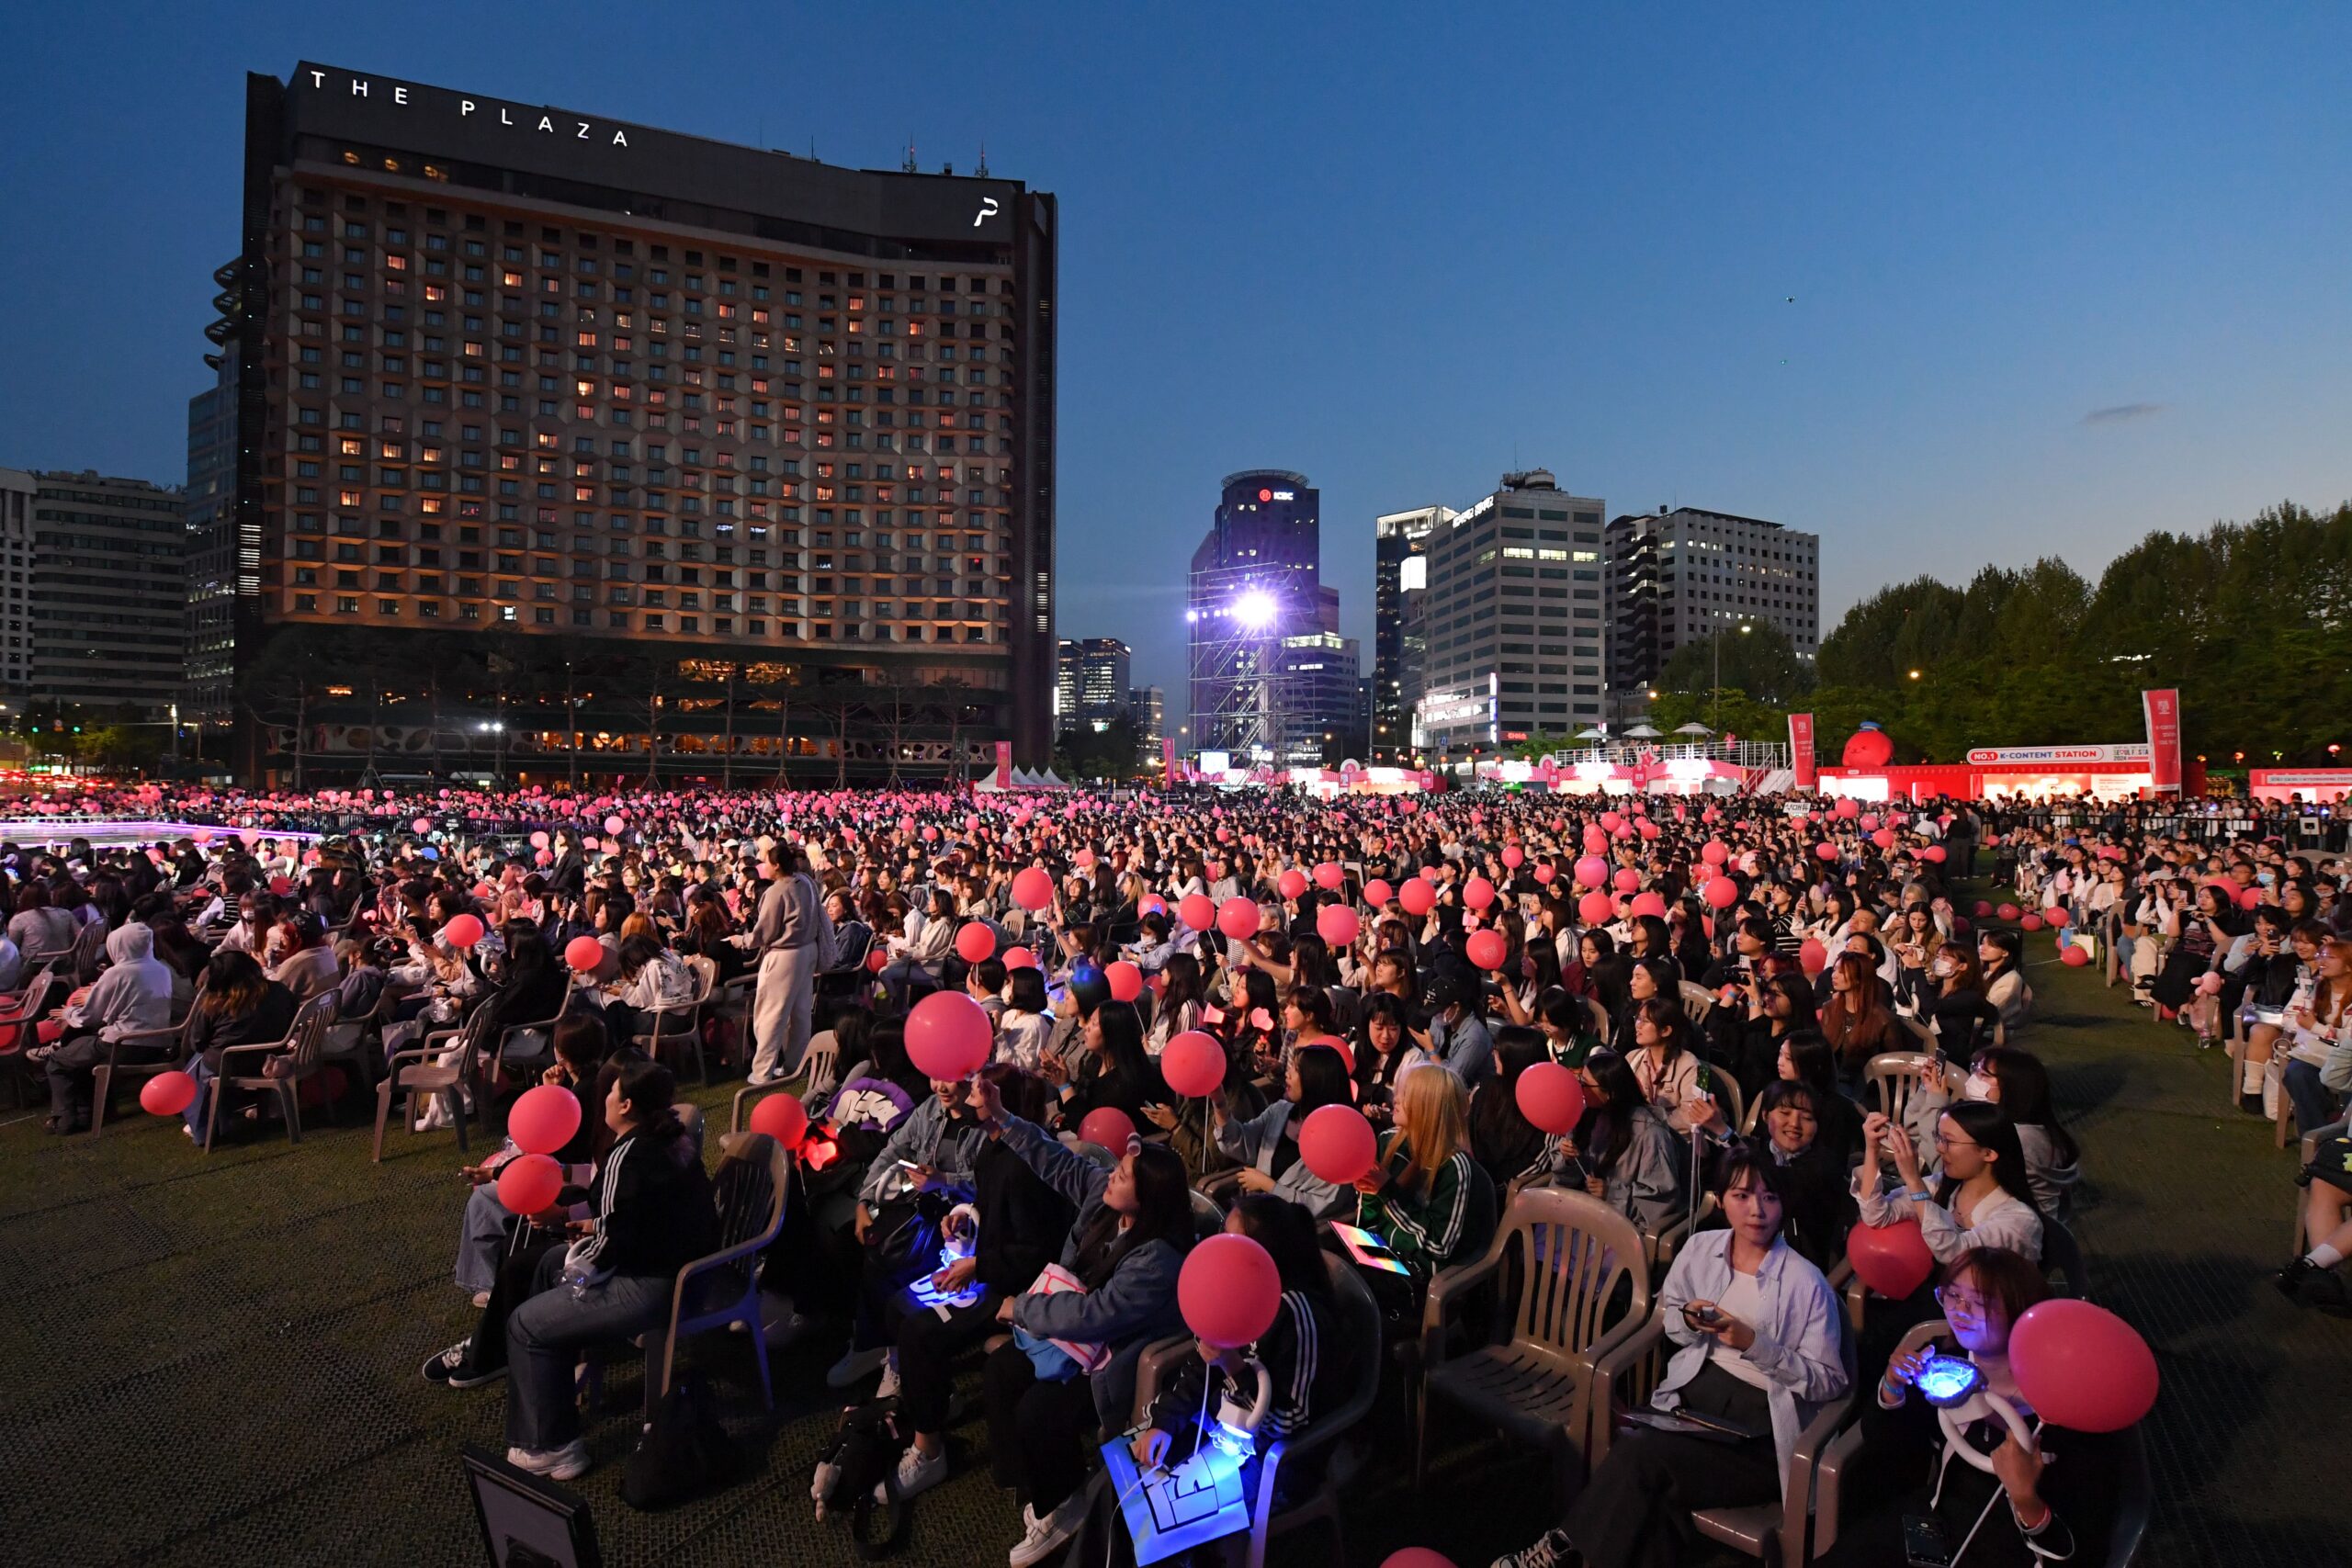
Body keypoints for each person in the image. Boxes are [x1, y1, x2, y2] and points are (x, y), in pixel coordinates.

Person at [1493, 1152, 1848, 1568]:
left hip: (1762, 1433)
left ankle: (1559, 1549)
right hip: (1696, 1402)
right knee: (1656, 1505)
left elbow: (1830, 1381)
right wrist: (1689, 1319)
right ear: (1720, 1199)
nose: (1757, 1210)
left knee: (1639, 1457)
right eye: (1742, 1195)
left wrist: (1755, 1344)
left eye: (1769, 1197)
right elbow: (1673, 1320)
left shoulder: (1806, 1282)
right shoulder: (1701, 1249)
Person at [968, 1076, 1193, 1567]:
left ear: (1148, 1197)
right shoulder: (1104, 1202)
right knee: (1001, 1372)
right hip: (1068, 1338)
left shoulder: (1157, 1259)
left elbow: (1096, 1315)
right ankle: (1035, 1484)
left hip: (1110, 1362)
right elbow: (1055, 1159)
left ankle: (1064, 1503)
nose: (1112, 1175)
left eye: (1123, 1175)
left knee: (1038, 1410)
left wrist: (1022, 1308)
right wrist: (1001, 1116)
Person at [1817, 1248, 2123, 1566]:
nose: (1960, 1311)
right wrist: (1893, 1388)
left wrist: (2025, 1499)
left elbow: (2084, 1550)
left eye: (1980, 1302)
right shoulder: (1945, 1367)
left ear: (2021, 1309)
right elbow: (1888, 1446)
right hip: (1936, 1523)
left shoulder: (2067, 1409)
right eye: (1952, 1295)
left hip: (2012, 1551)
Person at [500, 1060, 718, 1479]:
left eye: (612, 1092)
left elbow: (610, 1246)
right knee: (545, 1265)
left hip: (653, 1286)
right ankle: (552, 1388)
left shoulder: (628, 1155)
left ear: (627, 1105)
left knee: (525, 1325)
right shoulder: (674, 1139)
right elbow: (644, 1218)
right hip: (688, 1274)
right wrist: (590, 1230)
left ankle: (552, 1446)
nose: (605, 1099)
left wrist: (577, 1266)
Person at [878, 1065, 1077, 1500]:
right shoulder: (991, 1149)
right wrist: (965, 1222)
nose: (968, 1098)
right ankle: (935, 1397)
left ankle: (929, 1452)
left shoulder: (1026, 1166)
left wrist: (977, 1267)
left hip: (1020, 1291)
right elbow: (994, 1217)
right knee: (899, 1305)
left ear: (1001, 1105)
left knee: (919, 1330)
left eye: (978, 1093)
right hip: (992, 1272)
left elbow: (1034, 1253)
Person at [1130, 1192, 1348, 1504]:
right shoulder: (1234, 1293)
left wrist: (1232, 1367)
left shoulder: (1298, 1316)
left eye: (1234, 1241)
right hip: (1217, 1430)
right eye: (1223, 1234)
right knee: (1119, 1480)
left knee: (1151, 1514)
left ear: (1265, 1254)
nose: (1220, 1247)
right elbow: (1199, 1370)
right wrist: (1164, 1423)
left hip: (1272, 1460)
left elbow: (1289, 1422)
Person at [1855, 1099, 2043, 1268]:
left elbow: (1953, 1253)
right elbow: (1876, 1215)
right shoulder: (1942, 1185)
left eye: (1949, 1141)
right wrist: (1872, 1150)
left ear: (1988, 1153)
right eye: (1939, 1137)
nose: (1939, 1148)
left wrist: (1913, 1179)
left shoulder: (2020, 1219)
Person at [1353, 1062, 1490, 1276]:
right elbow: (1368, 1220)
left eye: (1405, 1095)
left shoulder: (1455, 1167)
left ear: (1428, 1106)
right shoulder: (1387, 1141)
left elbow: (1440, 1246)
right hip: (1380, 1251)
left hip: (1419, 1271)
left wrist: (1387, 1191)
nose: (1395, 1099)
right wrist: (1369, 1191)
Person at [39, 921, 175, 1134]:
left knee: (58, 1061)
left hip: (122, 1045)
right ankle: (88, 1114)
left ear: (118, 945)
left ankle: (64, 1119)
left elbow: (88, 1017)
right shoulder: (161, 969)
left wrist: (68, 1013)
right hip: (157, 1043)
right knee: (80, 1053)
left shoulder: (117, 972)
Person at [1208, 1042, 1356, 1217]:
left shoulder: (1339, 1144)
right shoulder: (1280, 1111)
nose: (1287, 1073)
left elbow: (1321, 1205)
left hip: (1291, 1226)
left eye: (1296, 1070)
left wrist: (1269, 1186)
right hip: (1256, 1213)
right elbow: (1238, 1143)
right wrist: (1220, 1103)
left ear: (1315, 1081)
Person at [181, 950, 300, 1138]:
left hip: (227, 1063)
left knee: (194, 1065)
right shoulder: (280, 991)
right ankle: (220, 1113)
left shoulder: (215, 1003)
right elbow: (292, 1019)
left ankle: (203, 1127)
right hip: (271, 1059)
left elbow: (198, 1041)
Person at [749, 840, 825, 1083]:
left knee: (772, 1014)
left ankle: (762, 1072)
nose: (764, 866)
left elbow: (764, 933)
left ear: (777, 865)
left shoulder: (777, 891)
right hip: (807, 951)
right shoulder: (806, 882)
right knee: (801, 1013)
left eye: (766, 862)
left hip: (785, 955)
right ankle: (796, 1065)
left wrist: (742, 940)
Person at [1977, 929, 2034, 1039]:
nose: (1982, 948)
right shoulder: (1983, 972)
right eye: (1982, 943)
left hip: (1988, 1031)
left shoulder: (2011, 979)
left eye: (1991, 945)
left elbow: (1990, 1011)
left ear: (2005, 952)